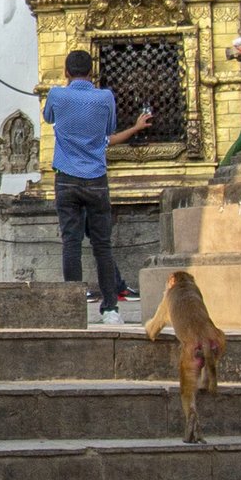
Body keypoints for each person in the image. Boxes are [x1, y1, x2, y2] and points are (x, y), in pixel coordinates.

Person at [42, 48, 151, 317]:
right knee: (102, 245)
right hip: (96, 179)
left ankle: (73, 308)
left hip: (66, 178)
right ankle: (111, 308)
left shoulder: (56, 94)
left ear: (66, 72)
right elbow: (109, 129)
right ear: (92, 72)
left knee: (71, 243)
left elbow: (48, 117)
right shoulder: (105, 97)